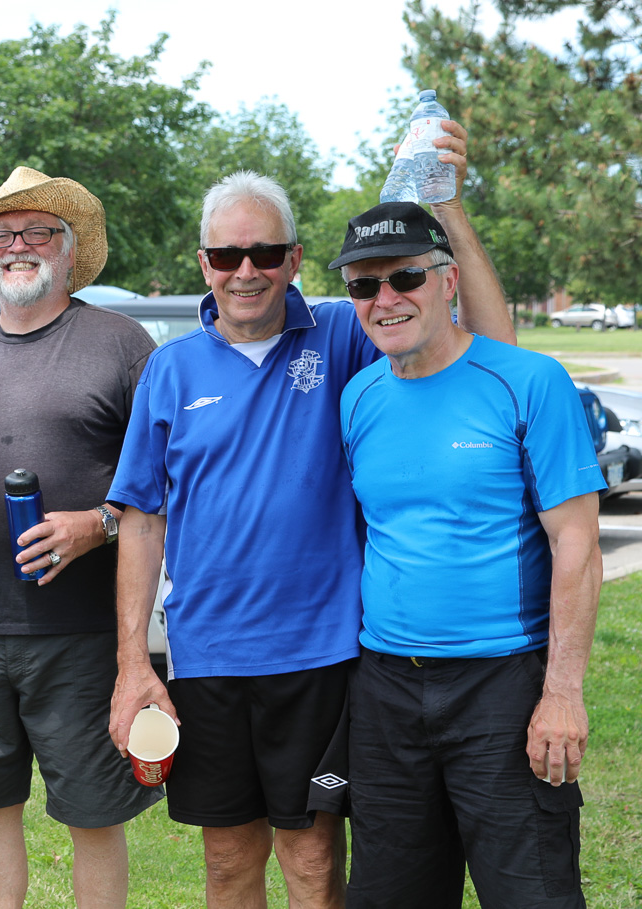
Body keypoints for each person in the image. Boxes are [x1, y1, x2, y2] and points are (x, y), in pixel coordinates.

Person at [108, 122, 515, 909]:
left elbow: (489, 344)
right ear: (204, 264)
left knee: (313, 858)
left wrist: (448, 209)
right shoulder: (169, 369)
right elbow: (143, 519)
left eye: (266, 253)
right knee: (228, 863)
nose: (247, 271)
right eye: (228, 255)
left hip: (321, 655)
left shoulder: (342, 335)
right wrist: (133, 662)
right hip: (208, 656)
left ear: (295, 259)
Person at [0, 166, 162, 909]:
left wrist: (97, 523)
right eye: (0, 235)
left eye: (37, 231)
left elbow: (160, 491)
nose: (17, 245)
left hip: (81, 634)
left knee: (94, 814)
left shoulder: (121, 344)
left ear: (69, 248)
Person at [336, 201, 602, 908]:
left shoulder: (529, 381)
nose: (385, 299)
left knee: (531, 893)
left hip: (502, 685)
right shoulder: (357, 396)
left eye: (406, 278)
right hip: (385, 689)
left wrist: (562, 693)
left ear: (448, 281)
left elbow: (576, 541)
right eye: (364, 285)